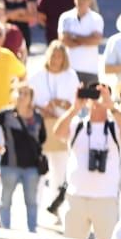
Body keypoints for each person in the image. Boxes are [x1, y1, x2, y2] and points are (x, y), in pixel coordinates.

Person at [52, 83, 121, 239]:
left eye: (102, 95)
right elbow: (57, 133)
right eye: (94, 95)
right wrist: (75, 108)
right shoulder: (77, 124)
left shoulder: (115, 126)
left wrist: (112, 107)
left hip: (106, 198)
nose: (97, 100)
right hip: (76, 197)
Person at [0, 82, 46, 232]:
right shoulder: (7, 115)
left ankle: (32, 231)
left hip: (31, 166)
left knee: (31, 201)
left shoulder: (37, 118)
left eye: (26, 93)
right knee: (6, 200)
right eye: (19, 92)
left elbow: (42, 138)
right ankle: (6, 230)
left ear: (31, 98)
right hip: (10, 165)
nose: (22, 96)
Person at [29, 40, 79, 210]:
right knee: (39, 169)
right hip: (41, 127)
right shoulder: (37, 76)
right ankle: (34, 206)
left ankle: (55, 206)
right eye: (53, 56)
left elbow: (76, 103)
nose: (56, 60)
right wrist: (43, 109)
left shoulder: (71, 76)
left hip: (62, 127)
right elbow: (29, 101)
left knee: (60, 169)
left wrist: (60, 103)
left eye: (59, 56)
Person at [59, 0, 105, 86]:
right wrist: (86, 40)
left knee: (91, 100)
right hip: (69, 69)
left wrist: (74, 37)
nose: (81, 1)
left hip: (90, 70)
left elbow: (95, 41)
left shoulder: (96, 18)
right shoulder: (65, 17)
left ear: (90, 0)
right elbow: (64, 40)